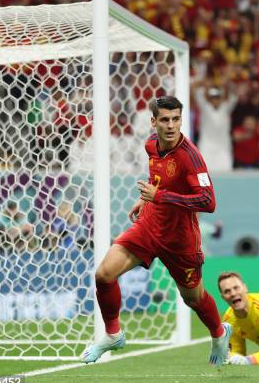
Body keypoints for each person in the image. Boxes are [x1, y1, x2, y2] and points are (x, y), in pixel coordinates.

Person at [80, 96, 232, 365]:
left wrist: (159, 196)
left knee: (193, 298)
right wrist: (146, 197)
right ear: (153, 122)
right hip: (149, 227)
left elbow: (209, 202)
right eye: (165, 120)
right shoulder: (151, 145)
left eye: (176, 119)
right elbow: (158, 178)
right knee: (104, 274)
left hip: (180, 239)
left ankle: (219, 334)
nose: (171, 126)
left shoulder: (191, 158)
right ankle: (113, 334)